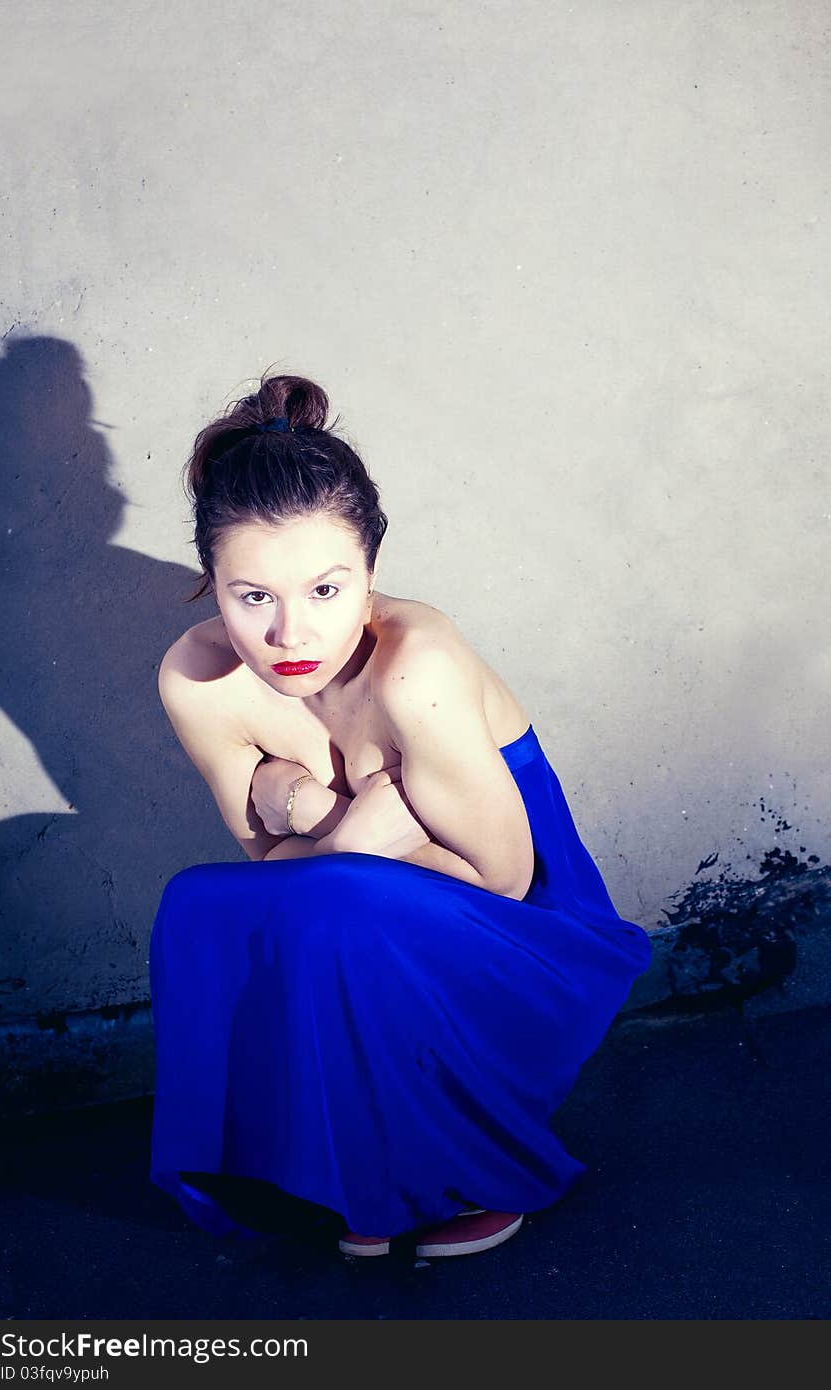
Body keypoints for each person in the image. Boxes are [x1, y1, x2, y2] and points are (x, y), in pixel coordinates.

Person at [149, 369, 654, 1260]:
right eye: (252, 597)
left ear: (372, 572)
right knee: (202, 906)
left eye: (326, 590)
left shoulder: (413, 666)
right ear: (212, 581)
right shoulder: (196, 679)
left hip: (524, 931)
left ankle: (468, 1172)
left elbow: (501, 878)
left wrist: (315, 828)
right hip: (373, 911)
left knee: (340, 901)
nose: (290, 636)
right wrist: (339, 824)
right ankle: (362, 1170)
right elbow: (268, 877)